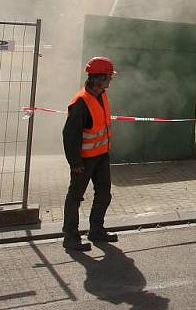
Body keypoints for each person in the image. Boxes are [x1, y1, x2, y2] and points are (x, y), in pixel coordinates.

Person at [62, 56, 119, 251]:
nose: (111, 80)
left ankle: (96, 230)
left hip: (101, 156)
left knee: (104, 194)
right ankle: (70, 237)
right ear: (99, 78)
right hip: (84, 160)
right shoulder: (81, 102)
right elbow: (70, 133)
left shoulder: (101, 94)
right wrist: (74, 161)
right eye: (109, 77)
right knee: (75, 197)